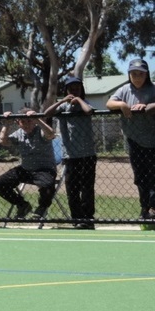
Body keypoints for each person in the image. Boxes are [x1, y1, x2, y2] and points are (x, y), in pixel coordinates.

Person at [106, 59, 155, 224]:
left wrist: (150, 106)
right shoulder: (124, 89)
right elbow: (109, 103)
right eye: (134, 74)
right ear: (129, 74)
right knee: (140, 178)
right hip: (134, 141)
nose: (137, 77)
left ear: (146, 74)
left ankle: (154, 208)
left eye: (140, 74)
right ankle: (145, 209)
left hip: (153, 140)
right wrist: (122, 104)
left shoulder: (153, 88)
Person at [44, 76, 97, 229]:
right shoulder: (63, 107)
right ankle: (77, 219)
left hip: (87, 154)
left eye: (77, 88)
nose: (74, 91)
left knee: (87, 187)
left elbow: (88, 111)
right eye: (71, 89)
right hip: (70, 155)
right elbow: (47, 113)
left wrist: (79, 100)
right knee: (72, 188)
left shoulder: (84, 103)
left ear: (81, 90)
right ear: (66, 90)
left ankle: (88, 219)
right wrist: (62, 101)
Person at [0, 108, 57, 220]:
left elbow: (51, 134)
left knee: (48, 185)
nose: (27, 124)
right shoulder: (19, 134)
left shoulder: (40, 130)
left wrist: (38, 119)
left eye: (29, 121)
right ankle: (22, 205)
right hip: (26, 169)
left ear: (33, 121)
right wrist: (7, 124)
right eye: (23, 121)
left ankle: (41, 209)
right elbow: (2, 141)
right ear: (19, 123)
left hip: (44, 169)